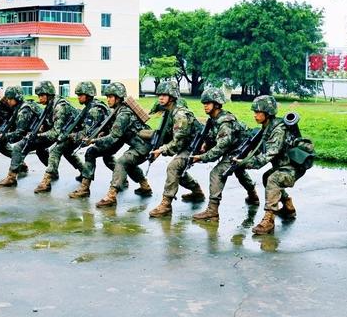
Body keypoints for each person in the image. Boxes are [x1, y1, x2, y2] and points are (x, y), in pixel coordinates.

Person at [234, 95, 305, 234]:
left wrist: (245, 162)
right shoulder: (267, 127)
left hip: (293, 167)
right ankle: (288, 206)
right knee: (267, 177)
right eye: (254, 112)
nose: (255, 115)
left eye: (258, 112)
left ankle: (269, 220)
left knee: (273, 179)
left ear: (268, 113)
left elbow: (268, 155)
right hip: (283, 166)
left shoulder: (278, 130)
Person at [190, 88, 260, 221]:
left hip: (241, 149)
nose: (205, 105)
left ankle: (212, 211)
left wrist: (202, 157)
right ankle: (253, 196)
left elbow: (222, 146)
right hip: (234, 147)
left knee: (217, 173)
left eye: (208, 103)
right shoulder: (213, 119)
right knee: (239, 171)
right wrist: (206, 143)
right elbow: (213, 136)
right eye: (204, 103)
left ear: (216, 104)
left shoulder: (225, 121)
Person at [147, 81, 205, 217]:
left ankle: (166, 204)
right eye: (159, 95)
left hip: (195, 146)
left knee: (173, 167)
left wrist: (161, 150)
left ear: (172, 97)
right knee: (179, 170)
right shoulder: (168, 112)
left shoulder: (179, 115)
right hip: (187, 144)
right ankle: (197, 192)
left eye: (164, 95)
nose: (160, 98)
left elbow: (177, 142)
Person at [92, 82, 151, 207]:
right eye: (107, 96)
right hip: (137, 144)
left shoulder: (124, 114)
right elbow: (113, 130)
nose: (108, 99)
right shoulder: (118, 110)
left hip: (142, 146)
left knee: (122, 162)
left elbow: (114, 137)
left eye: (110, 97)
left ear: (118, 97)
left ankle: (111, 196)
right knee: (127, 162)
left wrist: (94, 141)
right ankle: (145, 187)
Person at [68, 81, 120, 198]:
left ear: (88, 95)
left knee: (91, 152)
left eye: (80, 95)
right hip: (111, 138)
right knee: (109, 158)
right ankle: (130, 180)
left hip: (113, 139)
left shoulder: (93, 109)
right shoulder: (94, 106)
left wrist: (72, 136)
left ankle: (84, 188)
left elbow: (87, 133)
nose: (78, 97)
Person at [0, 86, 42, 187]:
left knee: (18, 148)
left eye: (10, 99)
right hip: (38, 134)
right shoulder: (19, 107)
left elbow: (20, 133)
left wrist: (5, 136)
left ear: (16, 98)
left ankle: (11, 178)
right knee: (42, 152)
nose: (8, 101)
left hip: (41, 134)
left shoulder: (24, 110)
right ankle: (53, 172)